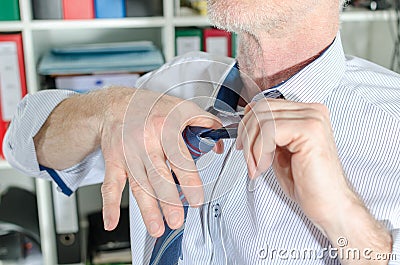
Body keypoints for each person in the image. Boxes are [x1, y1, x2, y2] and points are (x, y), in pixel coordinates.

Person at [3, 0, 400, 264]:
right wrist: (105, 110)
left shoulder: (392, 121)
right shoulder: (178, 79)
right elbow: (22, 146)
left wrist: (349, 222)